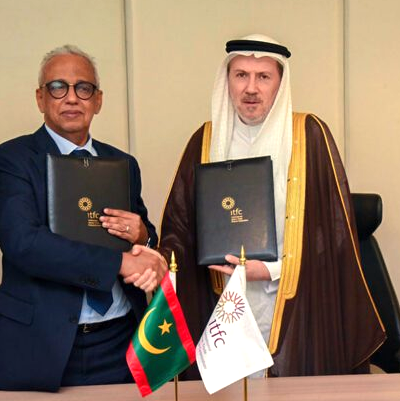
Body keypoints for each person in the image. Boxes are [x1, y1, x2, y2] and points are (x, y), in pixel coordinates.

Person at [158, 34, 386, 379]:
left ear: (280, 82)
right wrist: (156, 258)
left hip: (296, 306)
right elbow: (180, 226)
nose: (251, 88)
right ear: (227, 80)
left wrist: (272, 270)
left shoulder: (309, 135)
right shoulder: (204, 140)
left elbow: (332, 234)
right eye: (241, 75)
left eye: (263, 76)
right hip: (221, 304)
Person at [0, 45, 167, 391]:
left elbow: (145, 236)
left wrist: (142, 236)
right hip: (41, 344)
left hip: (121, 339)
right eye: (58, 87)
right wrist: (120, 263)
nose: (72, 98)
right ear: (40, 98)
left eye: (84, 88)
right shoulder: (12, 160)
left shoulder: (122, 164)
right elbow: (24, 244)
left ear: (98, 100)